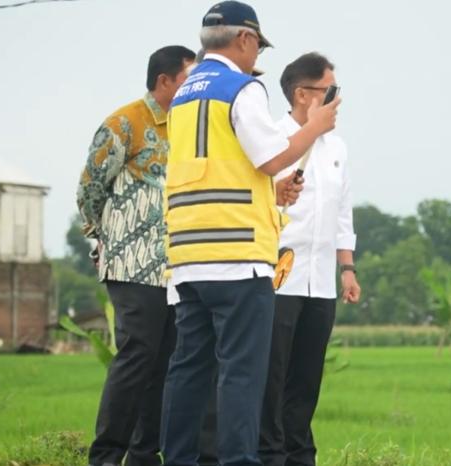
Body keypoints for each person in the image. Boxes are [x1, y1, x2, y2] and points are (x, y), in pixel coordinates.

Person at [158, 2, 340, 465]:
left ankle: (177, 459)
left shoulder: (184, 92)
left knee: (188, 368)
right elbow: (272, 156)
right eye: (257, 44)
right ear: (244, 39)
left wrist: (271, 195)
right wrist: (315, 127)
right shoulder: (241, 88)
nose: (256, 54)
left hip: (187, 252)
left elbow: (218, 165)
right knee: (242, 371)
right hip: (236, 252)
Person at [76, 45, 196, 466]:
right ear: (164, 81)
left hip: (177, 265)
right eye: (187, 78)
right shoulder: (124, 123)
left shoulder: (190, 125)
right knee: (136, 357)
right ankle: (106, 456)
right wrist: (103, 239)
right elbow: (90, 189)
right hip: (131, 264)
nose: (193, 86)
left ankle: (145, 456)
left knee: (165, 360)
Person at [259, 52, 360, 466]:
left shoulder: (336, 147)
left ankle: (300, 454)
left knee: (307, 374)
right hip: (278, 275)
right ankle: (268, 454)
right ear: (303, 95)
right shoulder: (271, 139)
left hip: (320, 279)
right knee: (272, 372)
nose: (337, 100)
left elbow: (343, 211)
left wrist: (347, 267)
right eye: (330, 91)